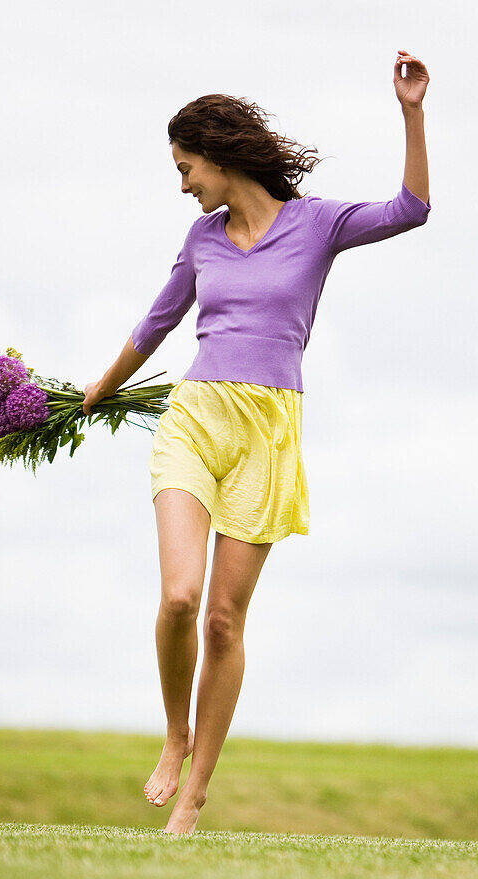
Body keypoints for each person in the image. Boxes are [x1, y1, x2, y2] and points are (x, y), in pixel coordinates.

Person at [83, 50, 431, 836]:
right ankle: (175, 734)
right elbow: (156, 323)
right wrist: (100, 386)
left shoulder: (318, 226)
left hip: (267, 431)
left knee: (222, 622)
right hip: (195, 419)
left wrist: (410, 111)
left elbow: (411, 207)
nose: (182, 184)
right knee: (178, 596)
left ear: (218, 153)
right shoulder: (200, 238)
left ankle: (197, 789)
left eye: (185, 167)